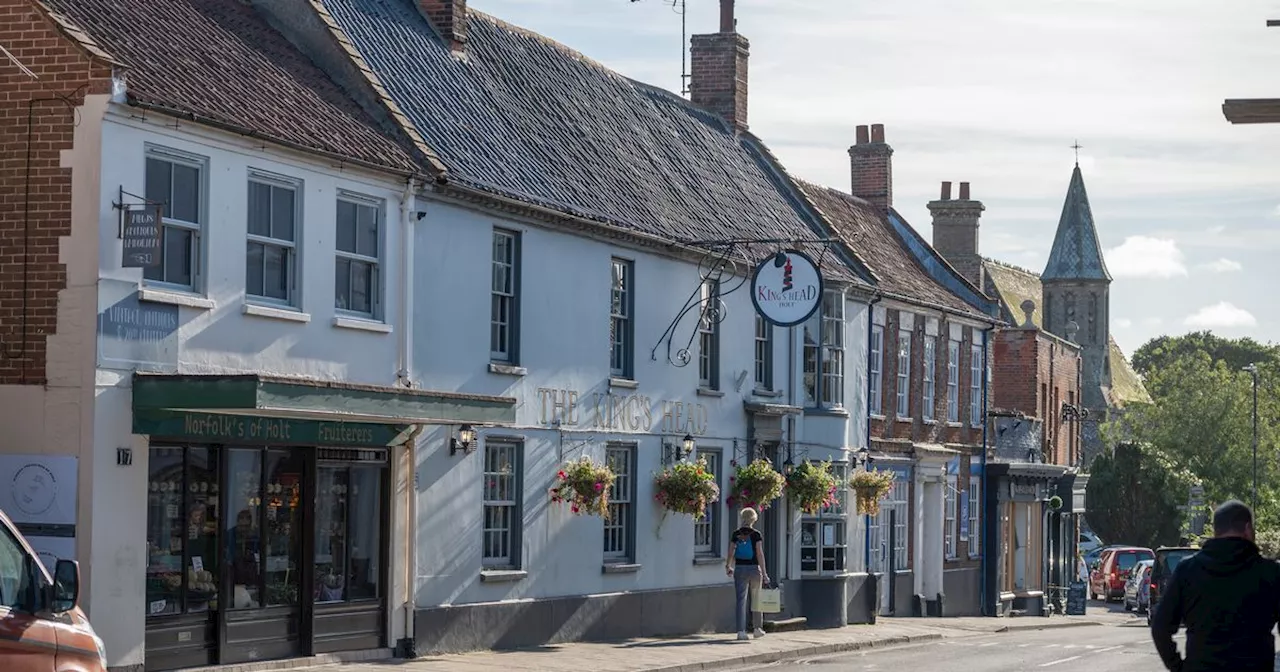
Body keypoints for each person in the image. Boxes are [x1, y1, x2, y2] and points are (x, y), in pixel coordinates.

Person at [1150, 499, 1280, 672]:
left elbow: (1160, 626)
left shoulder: (1188, 570)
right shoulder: (1271, 573)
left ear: (1215, 531)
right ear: (1248, 529)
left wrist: (1178, 667)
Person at [725, 507, 768, 641]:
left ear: (742, 518)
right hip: (754, 569)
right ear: (754, 519)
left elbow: (731, 551)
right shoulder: (756, 535)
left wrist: (728, 565)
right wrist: (765, 573)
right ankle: (757, 629)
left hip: (740, 569)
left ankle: (741, 631)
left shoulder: (736, 534)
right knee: (756, 599)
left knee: (740, 601)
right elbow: (759, 554)